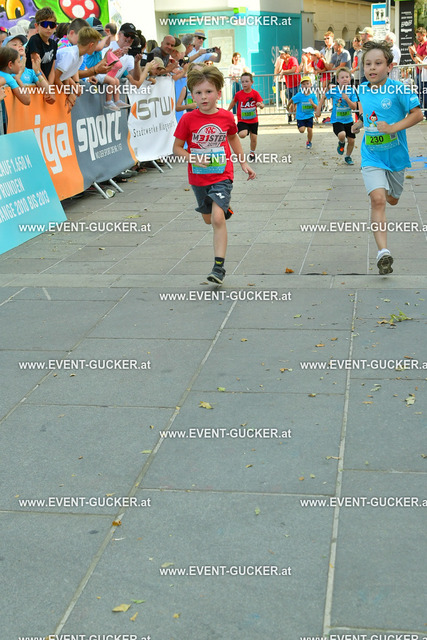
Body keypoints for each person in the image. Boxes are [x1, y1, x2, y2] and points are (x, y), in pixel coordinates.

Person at [173, 65, 255, 285]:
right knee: (209, 219)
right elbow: (177, 148)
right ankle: (222, 207)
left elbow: (233, 138)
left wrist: (243, 162)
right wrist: (192, 158)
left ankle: (218, 268)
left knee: (218, 218)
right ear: (192, 95)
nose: (203, 97)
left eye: (208, 92)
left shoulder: (226, 116)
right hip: (198, 177)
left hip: (222, 175)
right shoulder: (188, 119)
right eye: (198, 92)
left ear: (219, 93)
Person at [351, 40, 423, 275]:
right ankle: (383, 252)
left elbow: (417, 115)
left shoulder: (399, 89)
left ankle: (392, 193)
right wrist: (360, 123)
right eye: (368, 64)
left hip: (395, 157)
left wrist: (392, 128)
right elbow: (369, 115)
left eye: (378, 63)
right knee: (378, 200)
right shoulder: (362, 89)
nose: (372, 68)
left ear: (389, 67)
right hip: (371, 155)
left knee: (392, 200)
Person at [316, 66, 358, 164]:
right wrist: (318, 110)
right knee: (342, 135)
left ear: (350, 79)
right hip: (337, 120)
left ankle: (348, 157)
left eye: (347, 77)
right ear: (338, 80)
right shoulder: (334, 91)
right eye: (342, 77)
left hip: (348, 120)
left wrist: (347, 99)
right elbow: (323, 97)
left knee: (351, 141)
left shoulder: (352, 91)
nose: (345, 79)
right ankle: (341, 143)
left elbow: (354, 107)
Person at [55, 26, 102, 111]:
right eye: (96, 45)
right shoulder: (71, 55)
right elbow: (56, 78)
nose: (96, 48)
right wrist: (69, 94)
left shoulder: (80, 57)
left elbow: (65, 76)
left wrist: (74, 86)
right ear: (91, 45)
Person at [2, 34, 52, 101]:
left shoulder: (30, 71)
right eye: (15, 45)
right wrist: (20, 72)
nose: (20, 46)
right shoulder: (5, 71)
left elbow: (48, 90)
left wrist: (37, 72)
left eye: (21, 44)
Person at [227, 71, 263, 161]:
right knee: (242, 134)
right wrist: (227, 111)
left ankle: (252, 153)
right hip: (242, 120)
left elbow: (262, 104)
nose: (244, 83)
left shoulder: (255, 93)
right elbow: (233, 102)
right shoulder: (239, 94)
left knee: (254, 139)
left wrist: (260, 105)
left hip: (253, 120)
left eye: (247, 81)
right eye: (242, 82)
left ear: (251, 82)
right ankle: (244, 130)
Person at [25, 7, 58, 88]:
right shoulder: (34, 40)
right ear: (37, 26)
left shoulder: (54, 44)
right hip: (33, 81)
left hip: (45, 84)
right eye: (45, 24)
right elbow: (37, 67)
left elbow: (52, 69)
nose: (48, 28)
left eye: (52, 25)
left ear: (55, 27)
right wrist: (47, 86)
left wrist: (50, 85)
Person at [288, 74, 317, 148]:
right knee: (302, 130)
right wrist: (288, 107)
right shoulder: (299, 95)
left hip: (309, 115)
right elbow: (292, 100)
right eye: (304, 84)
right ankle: (300, 125)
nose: (306, 86)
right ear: (301, 86)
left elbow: (316, 107)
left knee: (310, 129)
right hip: (300, 116)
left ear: (310, 85)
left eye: (307, 83)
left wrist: (312, 103)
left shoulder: (313, 96)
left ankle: (309, 142)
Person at [278, 46, 301, 123]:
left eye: (282, 54)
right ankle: (290, 115)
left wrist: (284, 72)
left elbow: (293, 69)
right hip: (289, 85)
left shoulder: (293, 59)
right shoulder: (284, 63)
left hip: (296, 84)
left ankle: (295, 117)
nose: (281, 55)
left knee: (295, 101)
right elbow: (281, 70)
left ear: (287, 54)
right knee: (290, 101)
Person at [409, 27, 427, 119]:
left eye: (419, 36)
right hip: (418, 71)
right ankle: (420, 112)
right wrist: (412, 53)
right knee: (419, 92)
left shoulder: (426, 45)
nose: (417, 38)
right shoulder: (419, 45)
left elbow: (423, 60)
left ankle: (425, 112)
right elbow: (416, 59)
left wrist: (415, 52)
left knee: (424, 92)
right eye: (416, 36)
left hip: (424, 72)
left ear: (424, 35)